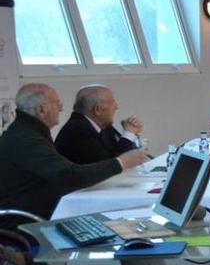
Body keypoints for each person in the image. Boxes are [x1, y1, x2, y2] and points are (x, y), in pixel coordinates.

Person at [0, 84, 149, 228]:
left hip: (41, 212)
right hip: (28, 224)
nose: (61, 108)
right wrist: (122, 162)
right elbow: (70, 175)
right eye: (57, 103)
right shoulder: (26, 140)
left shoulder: (26, 133)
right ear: (41, 109)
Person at [54, 85, 143, 165]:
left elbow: (118, 153)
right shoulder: (78, 131)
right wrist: (128, 134)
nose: (116, 107)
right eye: (112, 102)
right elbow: (111, 165)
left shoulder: (102, 126)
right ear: (98, 110)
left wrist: (129, 134)